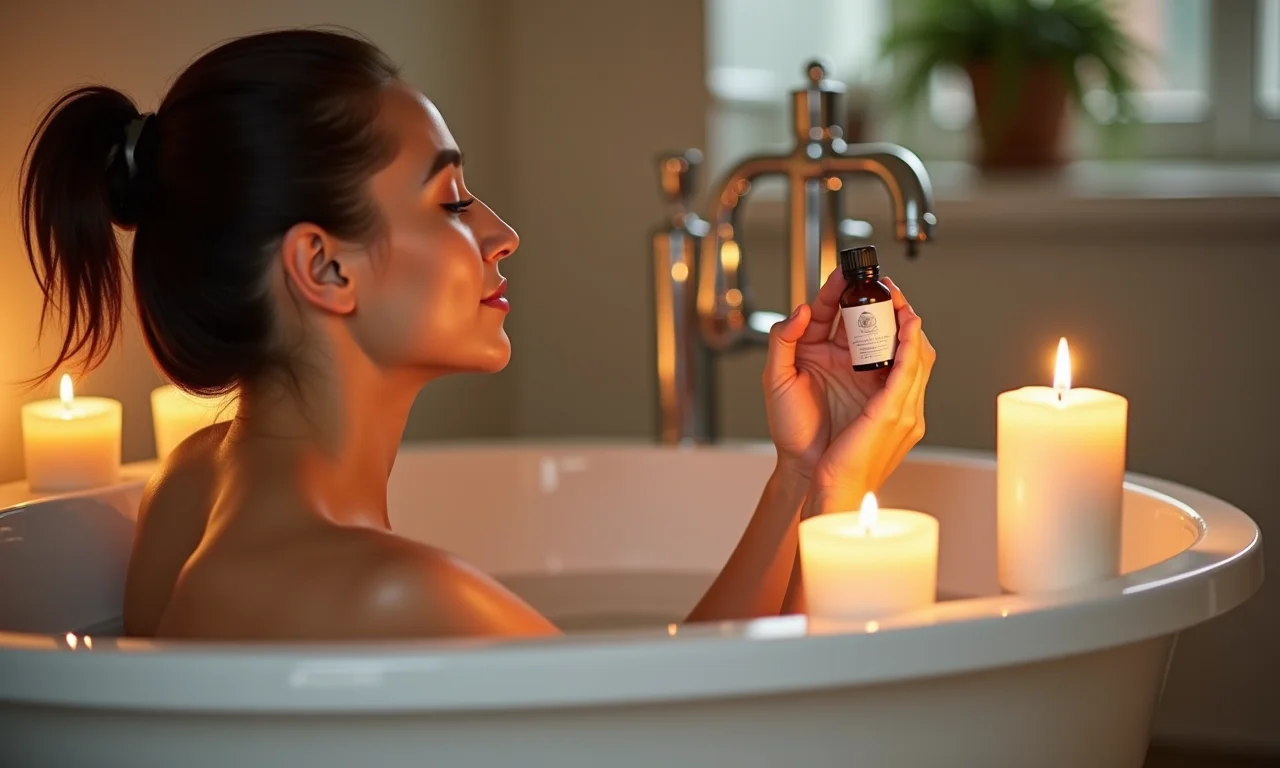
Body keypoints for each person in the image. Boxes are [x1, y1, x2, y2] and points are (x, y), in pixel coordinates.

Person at [19, 28, 935, 641]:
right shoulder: (395, 596)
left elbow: (641, 706)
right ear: (325, 268)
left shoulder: (192, 489)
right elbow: (725, 745)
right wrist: (842, 494)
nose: (501, 230)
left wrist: (802, 479)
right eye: (451, 199)